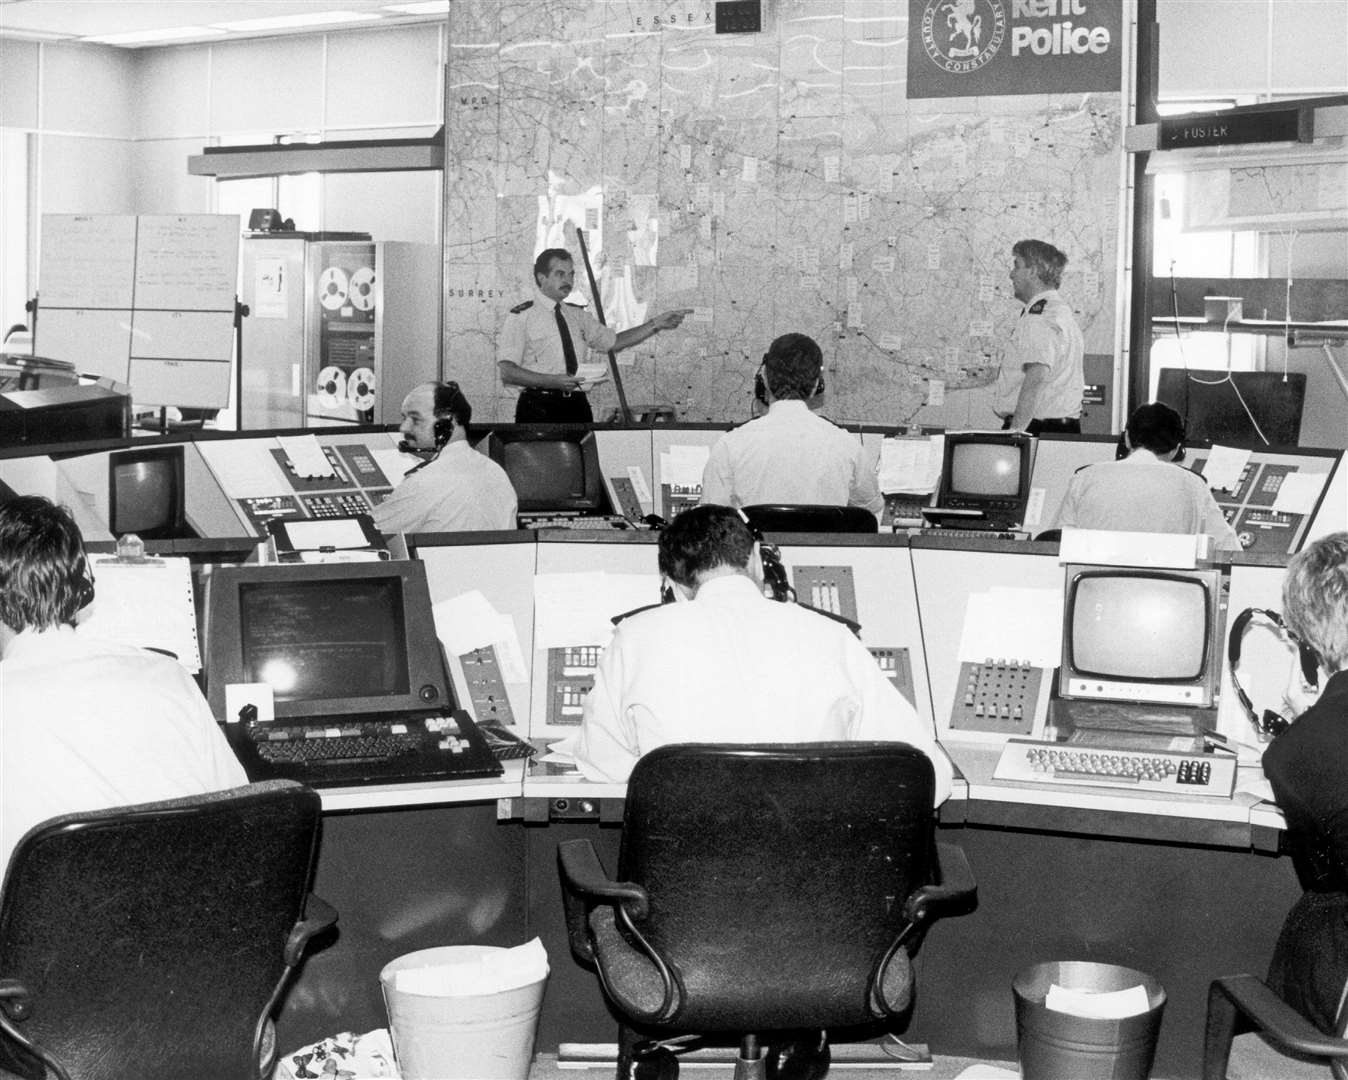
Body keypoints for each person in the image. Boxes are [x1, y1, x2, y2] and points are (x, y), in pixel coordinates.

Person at [572, 504, 953, 804]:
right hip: (819, 887)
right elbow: (927, 775)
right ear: (756, 558)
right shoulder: (831, 636)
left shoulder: (634, 638)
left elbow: (601, 765)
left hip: (688, 887)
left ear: (672, 585)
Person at [0, 495, 247, 874]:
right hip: (184, 920)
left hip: (51, 927)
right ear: (84, 583)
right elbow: (240, 813)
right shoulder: (170, 676)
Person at [1259, 532, 1348, 1035]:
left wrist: (1303, 722)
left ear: (1308, 637)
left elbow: (1324, 875)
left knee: (1315, 913)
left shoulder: (1296, 753)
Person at [699, 333, 884, 520]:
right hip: (822, 550)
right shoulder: (846, 445)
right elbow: (870, 511)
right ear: (818, 385)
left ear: (764, 378)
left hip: (757, 549)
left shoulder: (730, 445)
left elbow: (710, 520)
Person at [497, 248, 692, 422]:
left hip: (577, 405)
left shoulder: (576, 315)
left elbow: (614, 342)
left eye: (571, 274)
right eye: (560, 274)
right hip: (538, 406)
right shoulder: (521, 317)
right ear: (542, 278)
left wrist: (656, 323)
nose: (568, 281)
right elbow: (508, 371)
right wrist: (552, 381)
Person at [1053, 402, 1242, 550]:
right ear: (1177, 449)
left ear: (1126, 438)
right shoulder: (1194, 485)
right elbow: (1228, 548)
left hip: (1092, 592)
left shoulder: (1085, 478)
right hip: (1167, 595)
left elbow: (1055, 542)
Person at [969, 239, 1085, 434]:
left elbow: (1036, 376)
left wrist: (1016, 433)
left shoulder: (1039, 317)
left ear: (1033, 271)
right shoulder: (1060, 312)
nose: (1011, 274)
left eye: (1017, 265)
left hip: (1035, 427)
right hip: (1055, 428)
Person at [372, 381, 518, 534]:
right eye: (404, 418)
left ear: (447, 423)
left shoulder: (426, 481)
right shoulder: (496, 472)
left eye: (415, 419)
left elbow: (366, 533)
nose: (404, 428)